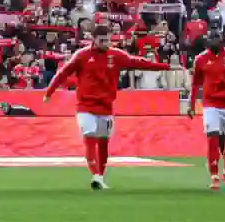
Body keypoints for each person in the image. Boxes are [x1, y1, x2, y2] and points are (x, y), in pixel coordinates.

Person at [43, 25, 173, 190]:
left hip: (105, 106)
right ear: (94, 39)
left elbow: (138, 63)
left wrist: (165, 67)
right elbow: (63, 73)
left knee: (103, 142)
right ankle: (96, 176)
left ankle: (100, 177)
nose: (106, 43)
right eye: (102, 40)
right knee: (90, 137)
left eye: (108, 40)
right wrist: (49, 92)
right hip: (85, 105)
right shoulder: (82, 55)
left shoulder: (116, 55)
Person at [188, 29, 225, 191]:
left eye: (217, 39)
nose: (214, 42)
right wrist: (191, 105)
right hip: (210, 104)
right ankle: (214, 175)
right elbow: (195, 84)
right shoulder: (200, 59)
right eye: (211, 39)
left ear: (222, 40)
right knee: (212, 137)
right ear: (207, 41)